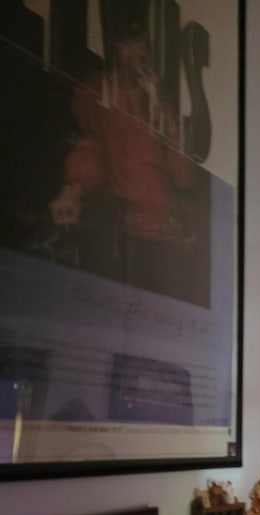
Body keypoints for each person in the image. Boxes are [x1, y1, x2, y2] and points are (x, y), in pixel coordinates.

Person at [48, 17, 207, 305]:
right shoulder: (94, 91)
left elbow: (181, 169)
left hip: (166, 230)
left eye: (144, 45)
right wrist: (73, 188)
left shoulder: (157, 100)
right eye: (132, 43)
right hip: (128, 229)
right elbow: (90, 146)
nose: (140, 51)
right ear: (117, 48)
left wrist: (158, 101)